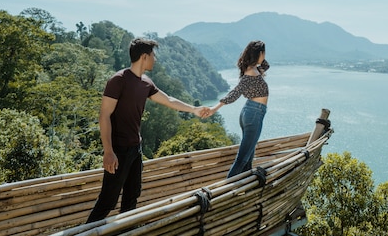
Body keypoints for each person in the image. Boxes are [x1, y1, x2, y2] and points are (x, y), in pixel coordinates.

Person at [86, 38, 210, 223]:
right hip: (118, 150)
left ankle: (125, 231)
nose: (155, 59)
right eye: (153, 55)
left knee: (131, 198)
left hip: (136, 149)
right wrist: (108, 151)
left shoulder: (146, 83)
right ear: (144, 56)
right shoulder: (119, 80)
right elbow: (104, 115)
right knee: (107, 201)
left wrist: (193, 109)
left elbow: (168, 100)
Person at [207, 40, 269, 178]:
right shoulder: (251, 73)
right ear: (259, 53)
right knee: (242, 159)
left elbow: (266, 65)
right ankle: (226, 190)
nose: (265, 56)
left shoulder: (254, 69)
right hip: (254, 113)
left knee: (248, 157)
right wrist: (214, 108)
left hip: (252, 112)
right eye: (263, 53)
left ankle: (246, 188)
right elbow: (234, 93)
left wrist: (258, 55)